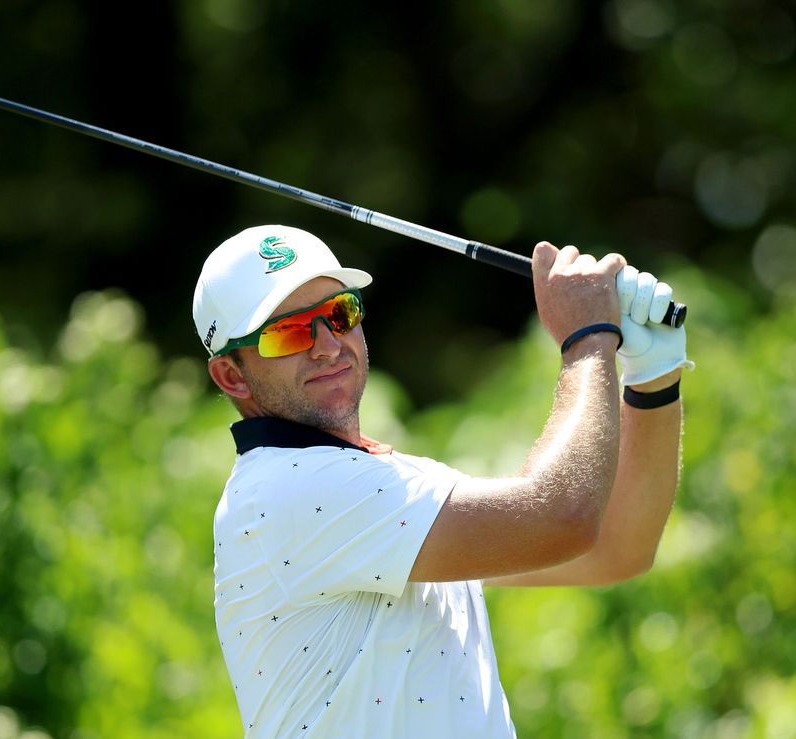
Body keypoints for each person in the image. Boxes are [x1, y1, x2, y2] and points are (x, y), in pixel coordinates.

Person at [192, 225, 691, 738]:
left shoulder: (389, 484)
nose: (327, 344)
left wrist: (653, 377)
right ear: (232, 375)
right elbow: (561, 517)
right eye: (287, 333)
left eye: (340, 313)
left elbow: (615, 548)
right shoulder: (285, 489)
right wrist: (588, 340)